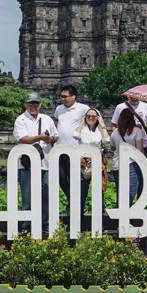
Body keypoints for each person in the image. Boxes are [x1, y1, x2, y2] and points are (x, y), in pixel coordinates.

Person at [13, 92, 58, 235]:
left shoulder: (47, 119)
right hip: (27, 164)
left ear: (40, 105)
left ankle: (44, 224)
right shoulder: (20, 120)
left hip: (45, 162)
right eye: (30, 104)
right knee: (27, 196)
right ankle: (26, 225)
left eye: (36, 104)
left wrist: (49, 139)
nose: (33, 106)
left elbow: (55, 136)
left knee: (46, 193)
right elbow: (23, 139)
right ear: (25, 105)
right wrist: (40, 137)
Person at [54, 85, 90, 216]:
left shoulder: (83, 108)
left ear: (73, 96)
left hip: (76, 151)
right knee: (61, 179)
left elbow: (94, 118)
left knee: (76, 180)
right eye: (61, 96)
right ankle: (72, 200)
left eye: (65, 96)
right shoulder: (59, 109)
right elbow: (56, 123)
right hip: (59, 150)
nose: (62, 99)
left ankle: (76, 207)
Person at [75, 108, 110, 229]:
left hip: (96, 164)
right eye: (88, 116)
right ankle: (79, 222)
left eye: (94, 116)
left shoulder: (100, 131)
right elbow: (75, 135)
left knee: (98, 194)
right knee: (81, 194)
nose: (91, 118)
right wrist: (81, 123)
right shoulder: (82, 129)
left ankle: (99, 222)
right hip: (83, 164)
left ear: (98, 118)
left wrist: (103, 125)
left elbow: (107, 141)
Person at [110, 106, 146, 205]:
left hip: (116, 164)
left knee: (120, 191)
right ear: (131, 118)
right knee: (131, 190)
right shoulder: (136, 131)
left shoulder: (115, 132)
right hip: (131, 164)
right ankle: (126, 213)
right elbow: (139, 150)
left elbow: (112, 148)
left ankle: (119, 217)